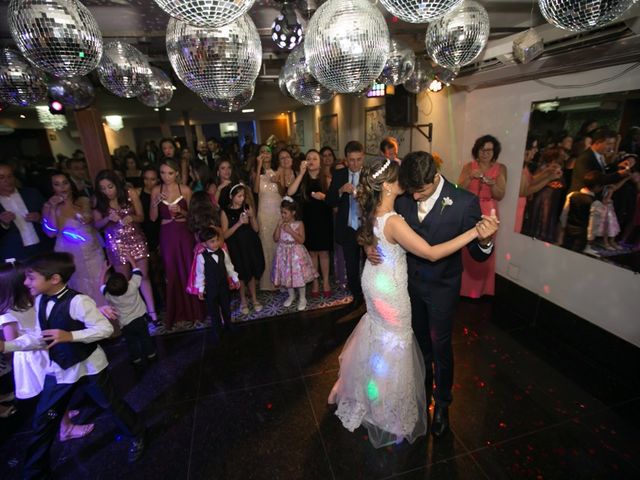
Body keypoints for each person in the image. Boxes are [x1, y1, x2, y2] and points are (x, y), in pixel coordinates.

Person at [328, 157, 498, 447]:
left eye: (419, 190)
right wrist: (369, 244)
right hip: (401, 289)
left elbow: (479, 254)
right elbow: (377, 220)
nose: (413, 195)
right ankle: (414, 394)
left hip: (440, 289)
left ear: (435, 177)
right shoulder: (400, 199)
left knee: (439, 346)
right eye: (409, 189)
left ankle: (442, 405)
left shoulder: (464, 201)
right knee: (412, 346)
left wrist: (482, 238)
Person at [0, 253, 146, 477]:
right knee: (45, 419)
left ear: (54, 279)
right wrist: (7, 347)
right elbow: (44, 337)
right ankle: (34, 472)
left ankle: (137, 434)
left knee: (111, 405)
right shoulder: (40, 300)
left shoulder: (78, 301)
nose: (26, 282)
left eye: (31, 278)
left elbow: (105, 329)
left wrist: (70, 336)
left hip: (89, 368)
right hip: (60, 371)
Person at [0, 261, 95, 440]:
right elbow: (13, 344)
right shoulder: (8, 315)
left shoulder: (30, 300)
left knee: (59, 387)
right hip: (35, 359)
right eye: (27, 279)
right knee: (52, 393)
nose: (31, 282)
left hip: (47, 350)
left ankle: (62, 414)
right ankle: (65, 428)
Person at [93, 170, 157, 323]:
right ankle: (132, 315)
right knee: (124, 281)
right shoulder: (98, 201)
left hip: (136, 239)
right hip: (116, 244)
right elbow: (96, 225)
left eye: (110, 187)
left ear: (116, 184)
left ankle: (152, 312)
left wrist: (131, 217)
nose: (107, 191)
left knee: (143, 276)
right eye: (103, 188)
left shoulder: (130, 193)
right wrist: (108, 218)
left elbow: (141, 217)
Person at [150, 159, 203, 330]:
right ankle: (178, 313)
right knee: (172, 273)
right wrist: (155, 202)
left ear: (177, 173)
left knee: (188, 270)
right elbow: (152, 218)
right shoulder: (156, 190)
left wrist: (181, 211)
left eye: (170, 173)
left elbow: (194, 217)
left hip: (184, 234)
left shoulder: (185, 190)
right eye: (163, 173)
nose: (166, 177)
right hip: (167, 235)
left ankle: (195, 312)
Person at [42, 172, 105, 303]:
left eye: (65, 182)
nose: (62, 187)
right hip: (68, 251)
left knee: (99, 280)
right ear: (52, 188)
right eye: (57, 184)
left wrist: (78, 212)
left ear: (71, 184)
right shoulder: (48, 207)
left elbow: (88, 219)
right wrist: (53, 208)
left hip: (91, 250)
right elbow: (51, 232)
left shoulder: (83, 201)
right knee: (77, 284)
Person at [458, 135, 507, 298]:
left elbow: (500, 195)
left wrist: (493, 185)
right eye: (482, 149)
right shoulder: (469, 166)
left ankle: (482, 291)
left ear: (494, 152)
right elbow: (459, 188)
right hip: (469, 208)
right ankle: (463, 288)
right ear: (477, 150)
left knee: (485, 247)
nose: (486, 153)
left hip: (489, 211)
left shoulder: (501, 168)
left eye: (489, 150)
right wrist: (470, 176)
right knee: (467, 246)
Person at [288, 149, 333, 296]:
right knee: (312, 253)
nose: (311, 161)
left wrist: (324, 197)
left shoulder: (326, 179)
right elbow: (290, 192)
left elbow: (333, 200)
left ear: (320, 163)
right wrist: (300, 173)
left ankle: (325, 281)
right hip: (308, 220)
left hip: (324, 219)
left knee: (324, 253)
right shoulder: (302, 179)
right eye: (309, 159)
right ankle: (315, 282)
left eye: (314, 158)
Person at [326, 141, 366, 305]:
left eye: (358, 159)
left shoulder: (370, 175)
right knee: (351, 267)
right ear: (346, 159)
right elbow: (329, 201)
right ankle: (357, 297)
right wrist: (341, 190)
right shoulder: (339, 175)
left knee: (371, 266)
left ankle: (372, 298)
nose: (355, 164)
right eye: (351, 160)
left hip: (367, 229)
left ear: (363, 157)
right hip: (348, 228)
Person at [100, 257, 156, 369]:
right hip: (140, 319)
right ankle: (151, 354)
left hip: (125, 324)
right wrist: (131, 260)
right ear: (126, 281)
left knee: (131, 342)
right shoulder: (132, 286)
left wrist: (104, 271)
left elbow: (101, 285)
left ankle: (136, 359)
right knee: (145, 337)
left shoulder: (109, 295)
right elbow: (137, 271)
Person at [221, 184, 265, 315]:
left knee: (251, 272)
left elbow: (256, 229)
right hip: (236, 246)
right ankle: (243, 301)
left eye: (243, 196)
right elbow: (224, 235)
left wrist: (252, 217)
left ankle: (255, 299)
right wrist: (239, 223)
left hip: (250, 244)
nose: (242, 199)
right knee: (240, 273)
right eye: (239, 196)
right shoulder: (225, 211)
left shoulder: (247, 208)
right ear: (231, 196)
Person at [271, 197, 317, 311]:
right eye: (281, 212)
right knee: (287, 277)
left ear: (293, 213)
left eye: (285, 213)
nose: (282, 215)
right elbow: (275, 238)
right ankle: (291, 295)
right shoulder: (281, 224)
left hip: (296, 253)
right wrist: (278, 226)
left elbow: (302, 240)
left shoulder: (299, 223)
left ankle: (302, 298)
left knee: (298, 276)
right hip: (283, 253)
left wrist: (290, 231)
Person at [0, 162, 52, 262]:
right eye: (1, 177)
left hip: (42, 248)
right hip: (13, 253)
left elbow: (52, 216)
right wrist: (3, 224)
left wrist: (40, 217)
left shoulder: (31, 193)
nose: (8, 180)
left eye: (10, 176)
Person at [194, 227, 239, 338]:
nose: (216, 243)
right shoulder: (201, 257)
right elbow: (200, 274)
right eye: (212, 242)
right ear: (204, 244)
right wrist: (200, 289)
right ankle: (217, 330)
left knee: (226, 307)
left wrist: (235, 278)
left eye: (217, 240)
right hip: (211, 289)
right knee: (214, 311)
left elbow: (229, 266)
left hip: (223, 286)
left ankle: (228, 324)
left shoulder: (222, 252)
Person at [253, 144, 282, 291]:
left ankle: (281, 281)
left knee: (280, 246)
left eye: (268, 151)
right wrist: (258, 167)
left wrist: (278, 181)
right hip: (264, 213)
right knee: (266, 245)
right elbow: (256, 190)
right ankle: (268, 282)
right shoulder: (256, 172)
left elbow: (283, 192)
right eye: (262, 151)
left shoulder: (278, 170)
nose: (265, 153)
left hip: (278, 212)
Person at [570, 128, 635, 192]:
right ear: (597, 142)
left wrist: (617, 166)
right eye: (608, 144)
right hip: (581, 197)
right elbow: (593, 180)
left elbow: (602, 171)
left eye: (613, 144)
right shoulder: (585, 158)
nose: (611, 147)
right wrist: (618, 174)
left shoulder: (599, 155)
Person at [560, 171, 603, 252]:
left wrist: (563, 225)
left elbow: (564, 213)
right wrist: (591, 237)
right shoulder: (595, 203)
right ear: (597, 187)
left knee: (564, 250)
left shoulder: (572, 195)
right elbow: (593, 223)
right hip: (582, 234)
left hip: (568, 230)